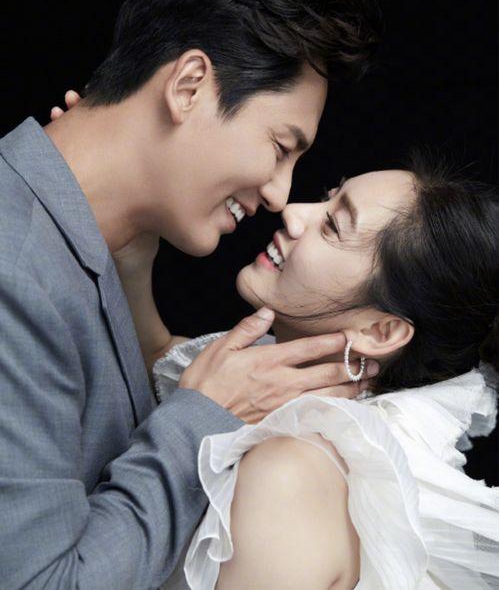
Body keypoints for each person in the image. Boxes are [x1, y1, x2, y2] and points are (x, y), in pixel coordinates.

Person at [0, 0, 382, 588]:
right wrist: (204, 415)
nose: (281, 196)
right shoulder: (15, 271)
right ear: (189, 87)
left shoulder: (75, 243)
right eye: (280, 147)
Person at [130, 158, 497, 589]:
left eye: (333, 226)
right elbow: (156, 355)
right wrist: (127, 247)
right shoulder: (279, 393)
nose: (293, 211)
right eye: (328, 197)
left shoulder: (292, 474)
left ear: (379, 332)